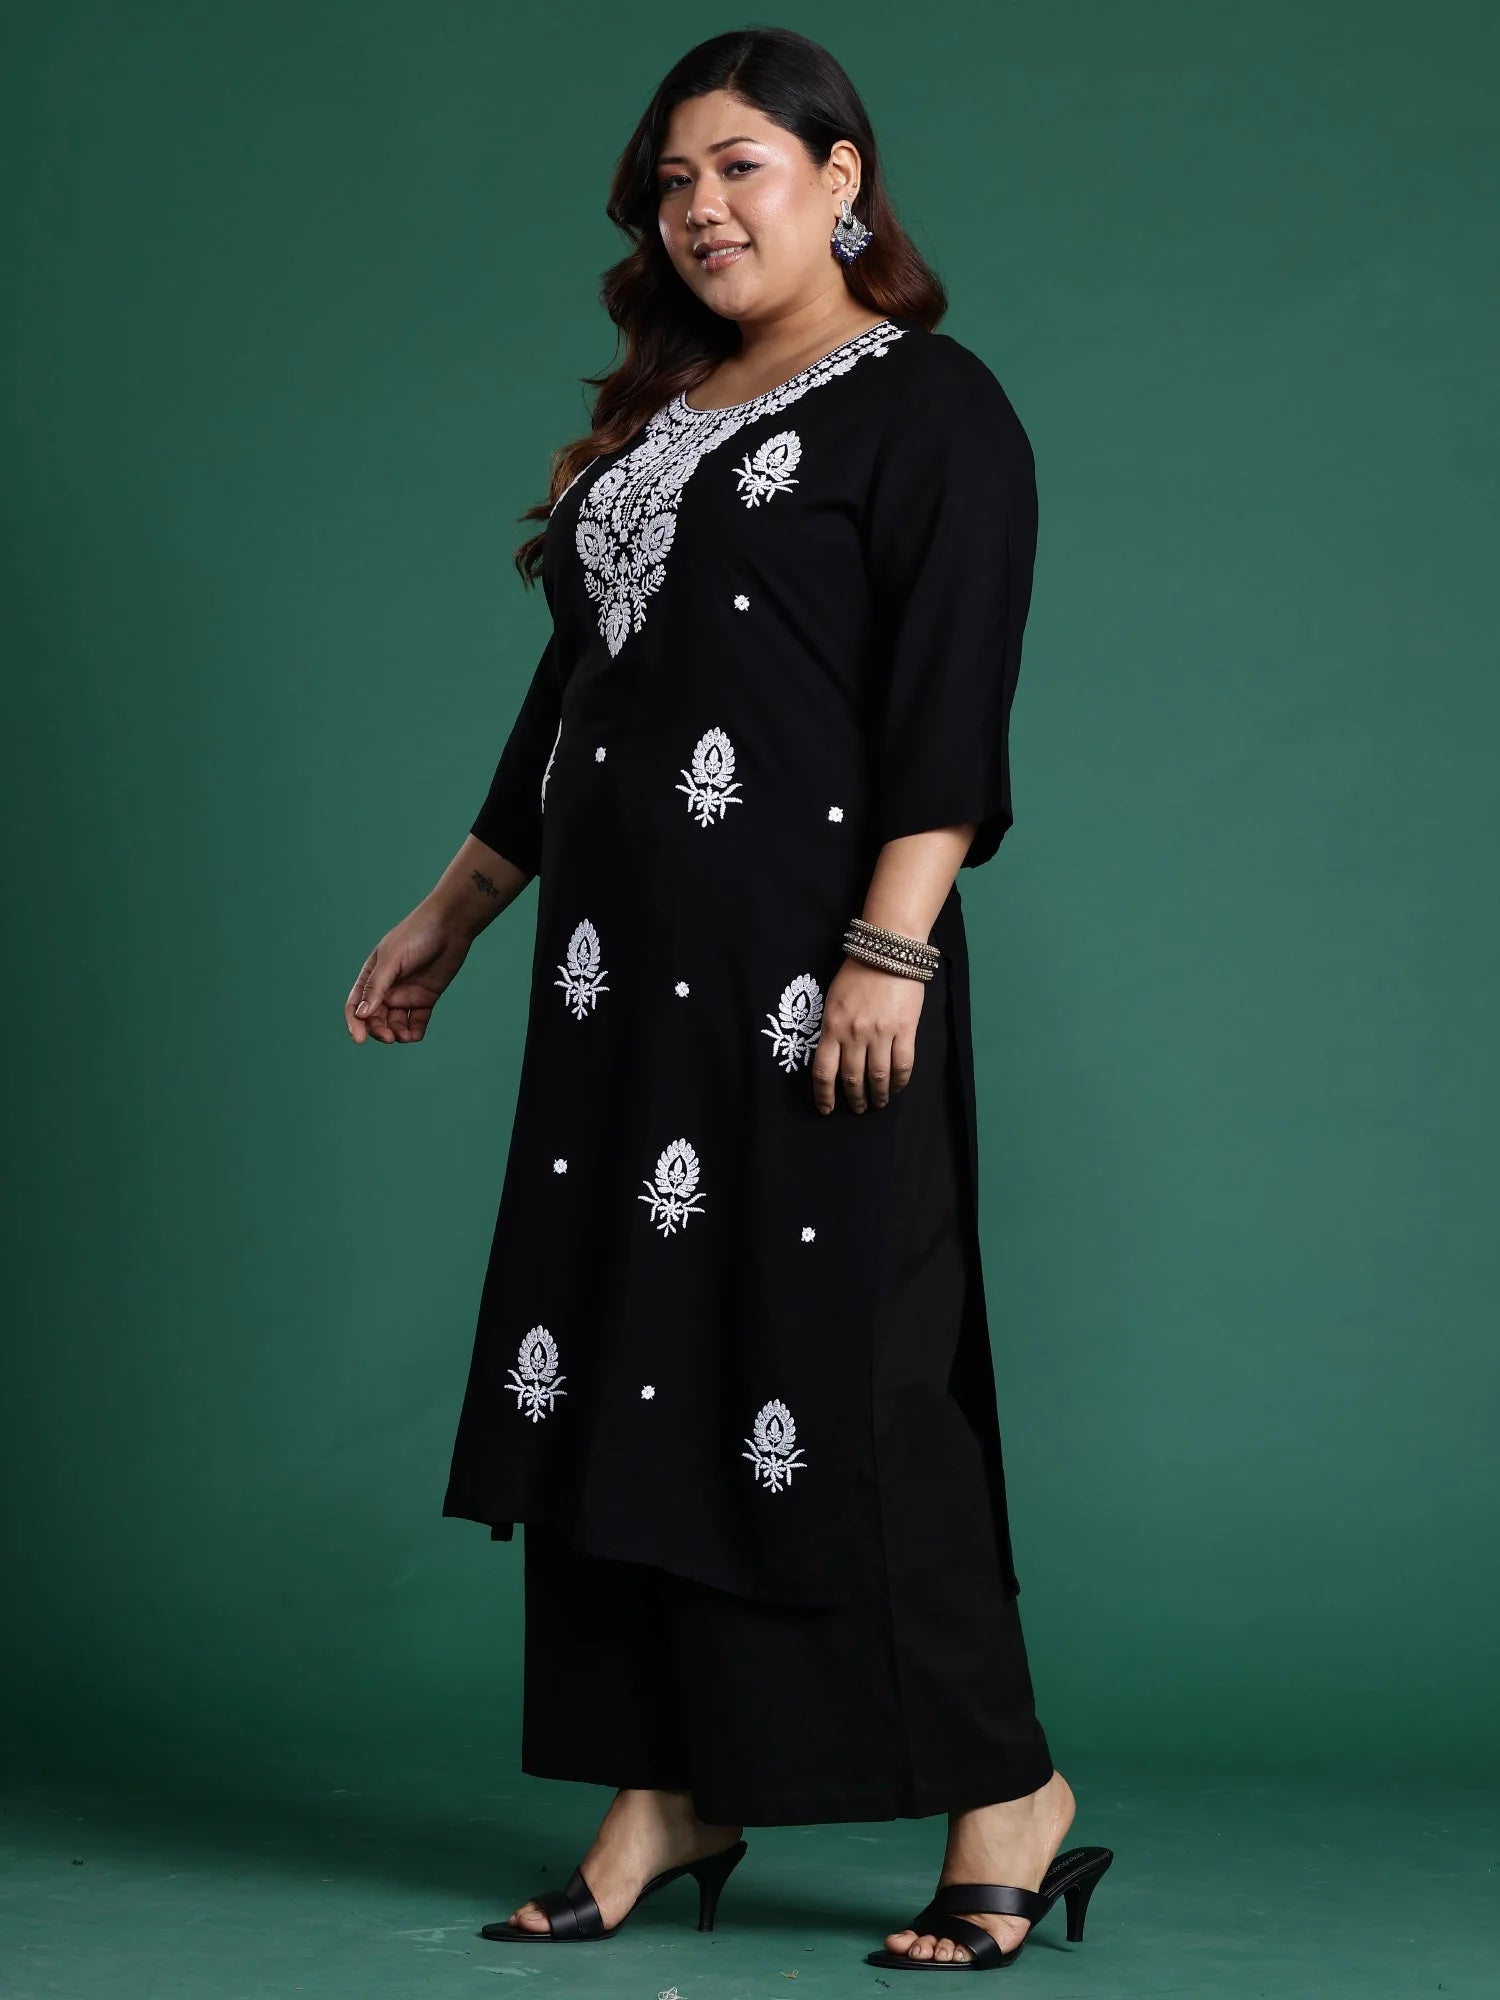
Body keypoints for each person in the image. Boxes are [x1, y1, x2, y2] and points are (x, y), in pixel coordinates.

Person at [344, 26, 1112, 1975]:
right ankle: (669, 1788)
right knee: (622, 1361)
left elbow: (950, 691)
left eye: (740, 167)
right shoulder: (665, 419)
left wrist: (890, 946)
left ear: (843, 179)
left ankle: (1007, 1796)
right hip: (617, 996)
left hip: (807, 976)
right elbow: (579, 696)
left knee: (853, 1378)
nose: (700, 209)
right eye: (672, 183)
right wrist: (457, 909)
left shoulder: (930, 407)